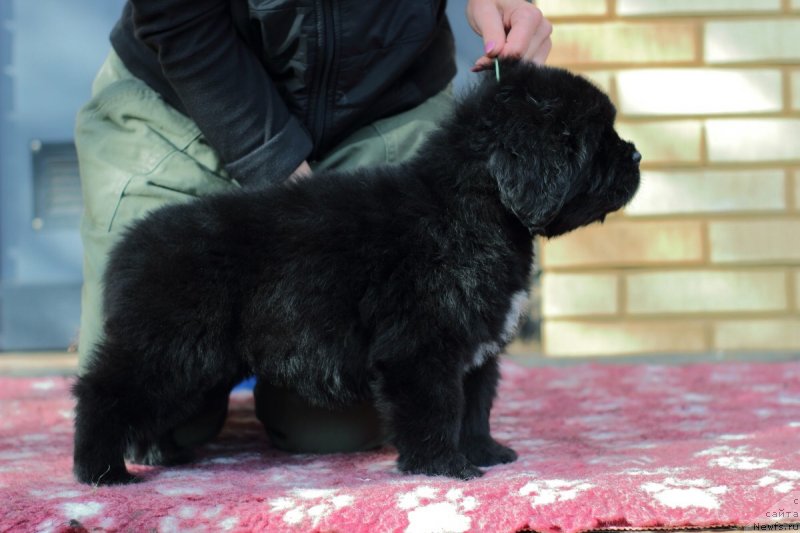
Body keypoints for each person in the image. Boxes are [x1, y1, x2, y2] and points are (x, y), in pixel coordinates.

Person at [75, 0, 553, 455]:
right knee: (153, 417)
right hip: (185, 104)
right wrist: (292, 196)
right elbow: (176, 21)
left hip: (378, 111)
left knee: (340, 419)